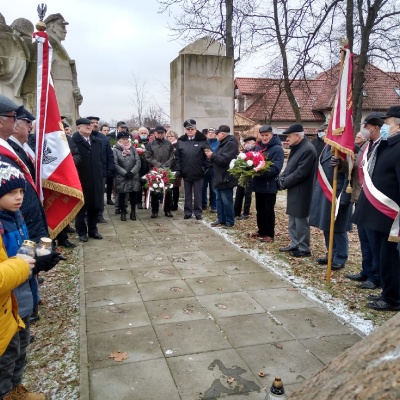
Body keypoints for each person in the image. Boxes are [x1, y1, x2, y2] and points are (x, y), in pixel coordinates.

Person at [0, 160, 62, 400]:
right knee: (6, 354)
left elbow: (23, 254)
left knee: (21, 348)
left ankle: (16, 389)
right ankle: (6, 393)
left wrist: (41, 259)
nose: (18, 198)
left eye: (21, 192)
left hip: (23, 296)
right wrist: (24, 265)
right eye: (11, 192)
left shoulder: (16, 216)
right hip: (6, 302)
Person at [352, 105, 400, 311]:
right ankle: (387, 292)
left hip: (391, 216)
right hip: (379, 214)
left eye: (387, 123)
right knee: (385, 257)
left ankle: (393, 298)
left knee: (391, 258)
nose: (384, 127)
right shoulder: (389, 145)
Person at [347, 112, 384, 290]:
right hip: (360, 197)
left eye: (367, 126)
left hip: (374, 201)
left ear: (375, 127)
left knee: (374, 240)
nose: (365, 129)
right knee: (364, 238)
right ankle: (366, 270)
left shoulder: (382, 146)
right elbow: (356, 167)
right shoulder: (366, 146)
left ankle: (376, 276)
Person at [309, 144, 352, 270]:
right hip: (325, 191)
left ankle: (341, 257)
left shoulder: (344, 146)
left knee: (338, 227)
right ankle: (331, 254)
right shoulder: (326, 147)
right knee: (327, 225)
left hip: (336, 192)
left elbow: (348, 174)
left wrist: (345, 195)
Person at [278, 123, 317, 257]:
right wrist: (281, 178)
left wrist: (284, 182)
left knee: (301, 221)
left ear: (297, 135)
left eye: (289, 136)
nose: (287, 139)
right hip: (294, 189)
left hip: (302, 190)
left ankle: (304, 248)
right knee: (292, 219)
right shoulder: (297, 147)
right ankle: (295, 243)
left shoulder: (308, 149)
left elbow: (301, 173)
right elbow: (289, 168)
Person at [250, 126, 284, 242]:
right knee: (259, 210)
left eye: (266, 135)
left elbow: (275, 169)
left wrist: (259, 172)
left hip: (269, 185)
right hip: (258, 184)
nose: (264, 138)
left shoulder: (277, 149)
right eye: (262, 135)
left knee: (268, 210)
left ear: (271, 135)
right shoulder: (257, 147)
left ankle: (269, 234)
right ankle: (261, 231)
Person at [72, 118, 104, 242]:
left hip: (96, 178)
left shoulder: (97, 142)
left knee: (95, 205)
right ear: (78, 128)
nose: (89, 127)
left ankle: (93, 229)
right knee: (81, 207)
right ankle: (81, 231)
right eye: (86, 125)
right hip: (81, 178)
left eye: (90, 125)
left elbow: (101, 160)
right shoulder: (74, 141)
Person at [174, 119, 210, 220]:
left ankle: (198, 213)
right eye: (188, 129)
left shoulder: (202, 140)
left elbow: (208, 156)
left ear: (195, 129)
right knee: (187, 194)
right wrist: (178, 170)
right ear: (185, 130)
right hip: (186, 172)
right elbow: (178, 157)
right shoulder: (181, 141)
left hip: (198, 172)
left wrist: (205, 168)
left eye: (192, 129)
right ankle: (188, 212)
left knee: (198, 194)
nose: (190, 131)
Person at [205, 125, 238, 228]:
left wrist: (212, 155)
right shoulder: (223, 143)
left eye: (217, 134)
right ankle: (221, 219)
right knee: (219, 200)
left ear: (223, 134)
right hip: (219, 176)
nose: (216, 136)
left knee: (227, 200)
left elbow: (224, 160)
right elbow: (218, 159)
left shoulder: (231, 144)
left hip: (226, 177)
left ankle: (229, 221)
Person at [87, 116, 115, 224]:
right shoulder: (84, 137)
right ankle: (87, 215)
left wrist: (109, 169)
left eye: (96, 122)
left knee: (99, 193)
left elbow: (109, 155)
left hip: (101, 171)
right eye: (92, 122)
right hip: (88, 172)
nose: (94, 124)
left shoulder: (103, 138)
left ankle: (99, 215)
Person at [145, 126, 174, 218]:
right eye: (158, 133)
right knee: (155, 191)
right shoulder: (150, 144)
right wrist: (158, 165)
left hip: (166, 170)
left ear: (164, 133)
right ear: (154, 134)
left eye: (162, 133)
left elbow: (172, 156)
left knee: (168, 191)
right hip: (155, 170)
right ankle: (154, 211)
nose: (160, 134)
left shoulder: (169, 144)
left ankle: (167, 210)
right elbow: (148, 157)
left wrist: (165, 166)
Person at [113, 130, 141, 221]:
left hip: (133, 176)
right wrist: (124, 173)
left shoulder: (132, 149)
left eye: (127, 139)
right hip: (122, 176)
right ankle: (123, 212)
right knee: (122, 195)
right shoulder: (115, 150)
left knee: (133, 194)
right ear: (119, 140)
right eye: (123, 139)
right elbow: (115, 164)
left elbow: (138, 161)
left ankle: (133, 212)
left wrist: (132, 172)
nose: (125, 141)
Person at [234, 135, 257, 220]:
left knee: (247, 194)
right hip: (242, 175)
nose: (247, 144)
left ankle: (246, 213)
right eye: (246, 143)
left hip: (250, 175)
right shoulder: (243, 152)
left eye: (248, 142)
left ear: (253, 143)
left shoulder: (256, 151)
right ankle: (236, 211)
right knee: (239, 194)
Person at [202, 128, 219, 213]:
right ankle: (203, 204)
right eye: (209, 132)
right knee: (203, 187)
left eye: (212, 132)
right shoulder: (204, 143)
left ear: (216, 134)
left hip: (214, 168)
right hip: (205, 168)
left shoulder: (218, 143)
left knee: (213, 188)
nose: (210, 134)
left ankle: (214, 205)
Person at [99, 124, 115, 205]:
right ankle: (101, 200)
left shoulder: (111, 139)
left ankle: (109, 198)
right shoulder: (98, 139)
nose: (106, 132)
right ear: (101, 131)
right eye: (104, 130)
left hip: (108, 165)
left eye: (107, 130)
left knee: (110, 183)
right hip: (101, 165)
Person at [166, 130, 181, 211]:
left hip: (176, 168)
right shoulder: (166, 145)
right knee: (168, 187)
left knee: (175, 188)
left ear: (175, 137)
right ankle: (169, 203)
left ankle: (175, 204)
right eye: (168, 136)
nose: (170, 138)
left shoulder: (178, 145)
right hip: (167, 168)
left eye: (171, 136)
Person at [137, 126, 150, 209]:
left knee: (147, 185)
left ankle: (146, 201)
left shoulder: (150, 143)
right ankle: (138, 202)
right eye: (142, 133)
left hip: (147, 167)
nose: (143, 134)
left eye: (145, 133)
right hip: (138, 168)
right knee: (138, 186)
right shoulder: (135, 143)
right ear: (139, 134)